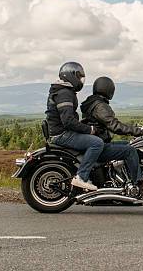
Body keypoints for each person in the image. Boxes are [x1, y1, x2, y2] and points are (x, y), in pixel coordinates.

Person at [81, 76, 143, 196]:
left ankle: (125, 177)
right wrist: (139, 131)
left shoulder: (93, 102)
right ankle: (140, 184)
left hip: (99, 142)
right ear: (108, 89)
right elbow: (115, 126)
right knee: (129, 151)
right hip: (100, 145)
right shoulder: (100, 106)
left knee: (128, 145)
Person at [45, 62, 102, 191]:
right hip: (62, 134)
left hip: (60, 132)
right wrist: (90, 129)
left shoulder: (62, 90)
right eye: (79, 76)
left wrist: (83, 124)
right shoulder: (64, 92)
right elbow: (68, 121)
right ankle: (81, 177)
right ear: (70, 75)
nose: (80, 80)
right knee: (96, 143)